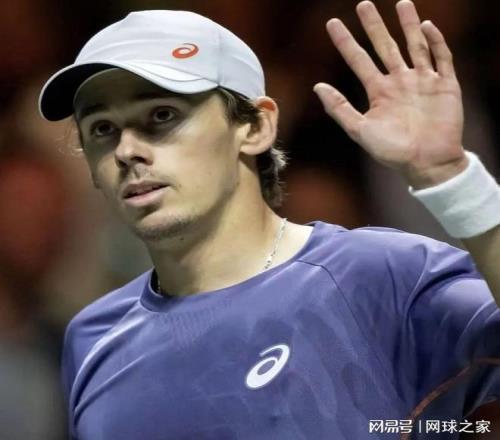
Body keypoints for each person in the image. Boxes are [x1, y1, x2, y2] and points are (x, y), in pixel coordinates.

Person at [38, 1, 500, 438]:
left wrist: (452, 178)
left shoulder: (380, 274)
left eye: (162, 115)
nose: (126, 150)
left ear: (256, 127)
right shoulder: (92, 337)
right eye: (102, 129)